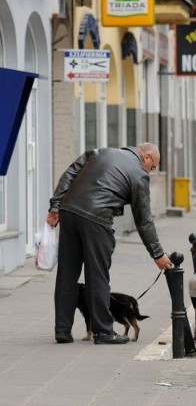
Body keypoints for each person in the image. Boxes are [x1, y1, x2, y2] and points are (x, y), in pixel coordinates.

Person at [46, 143, 173, 345]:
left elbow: (69, 173)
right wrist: (157, 254)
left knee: (67, 273)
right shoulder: (139, 173)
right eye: (153, 166)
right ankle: (103, 332)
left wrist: (55, 205)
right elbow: (144, 219)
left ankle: (62, 330)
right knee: (97, 274)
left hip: (69, 211)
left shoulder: (100, 152)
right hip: (96, 218)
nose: (151, 170)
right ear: (147, 157)